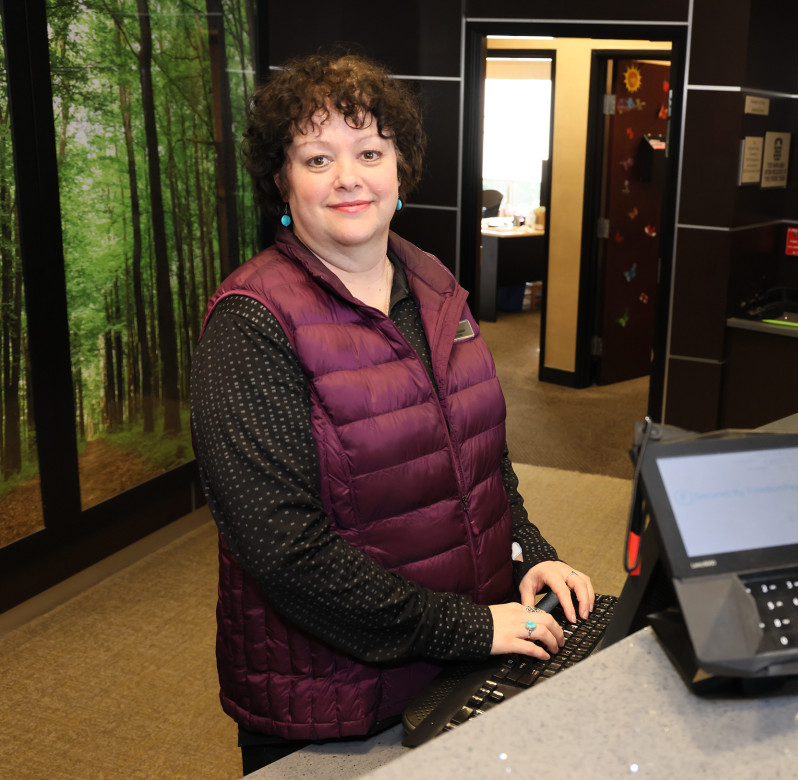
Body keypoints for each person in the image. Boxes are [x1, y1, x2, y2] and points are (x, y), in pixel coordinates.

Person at [190, 52, 595, 774]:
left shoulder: (435, 283)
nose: (349, 177)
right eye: (317, 157)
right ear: (282, 181)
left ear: (400, 170)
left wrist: (527, 555)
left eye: (370, 152)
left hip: (460, 670)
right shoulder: (251, 323)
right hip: (336, 706)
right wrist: (469, 628)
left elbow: (480, 458)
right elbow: (285, 553)